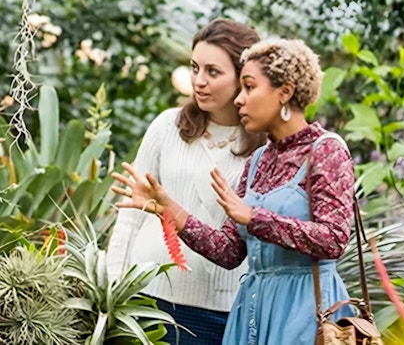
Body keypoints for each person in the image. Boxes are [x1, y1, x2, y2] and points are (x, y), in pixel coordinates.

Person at [111, 37, 355, 345]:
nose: (239, 99)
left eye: (249, 87)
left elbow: (334, 239)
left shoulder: (327, 150)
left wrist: (255, 218)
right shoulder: (258, 161)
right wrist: (169, 209)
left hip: (304, 310)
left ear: (285, 92)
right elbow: (228, 252)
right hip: (253, 309)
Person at [107, 18, 265, 345]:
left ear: (243, 79)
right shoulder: (167, 126)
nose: (199, 81)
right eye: (195, 68)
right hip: (144, 297)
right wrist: (113, 287)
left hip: (217, 312)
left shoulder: (263, 149)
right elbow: (130, 216)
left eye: (213, 71)